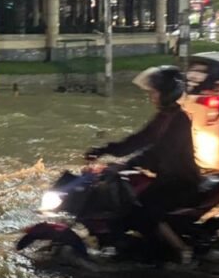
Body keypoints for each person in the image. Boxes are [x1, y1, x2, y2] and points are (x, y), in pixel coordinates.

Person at [84, 66, 198, 263]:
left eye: (155, 92)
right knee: (128, 200)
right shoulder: (163, 117)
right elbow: (139, 139)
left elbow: (160, 151)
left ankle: (183, 250)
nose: (151, 96)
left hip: (182, 180)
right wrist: (104, 150)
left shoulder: (180, 120)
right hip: (166, 177)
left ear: (167, 93)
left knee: (145, 209)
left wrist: (127, 164)